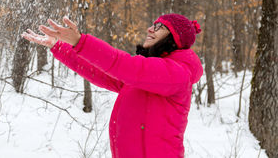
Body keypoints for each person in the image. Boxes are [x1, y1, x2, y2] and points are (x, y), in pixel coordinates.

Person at [22, 13, 203, 158]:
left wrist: (80, 41)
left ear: (173, 38)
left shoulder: (177, 73)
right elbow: (101, 71)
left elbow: (124, 65)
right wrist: (58, 46)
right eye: (152, 24)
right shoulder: (149, 76)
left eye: (158, 27)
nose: (150, 28)